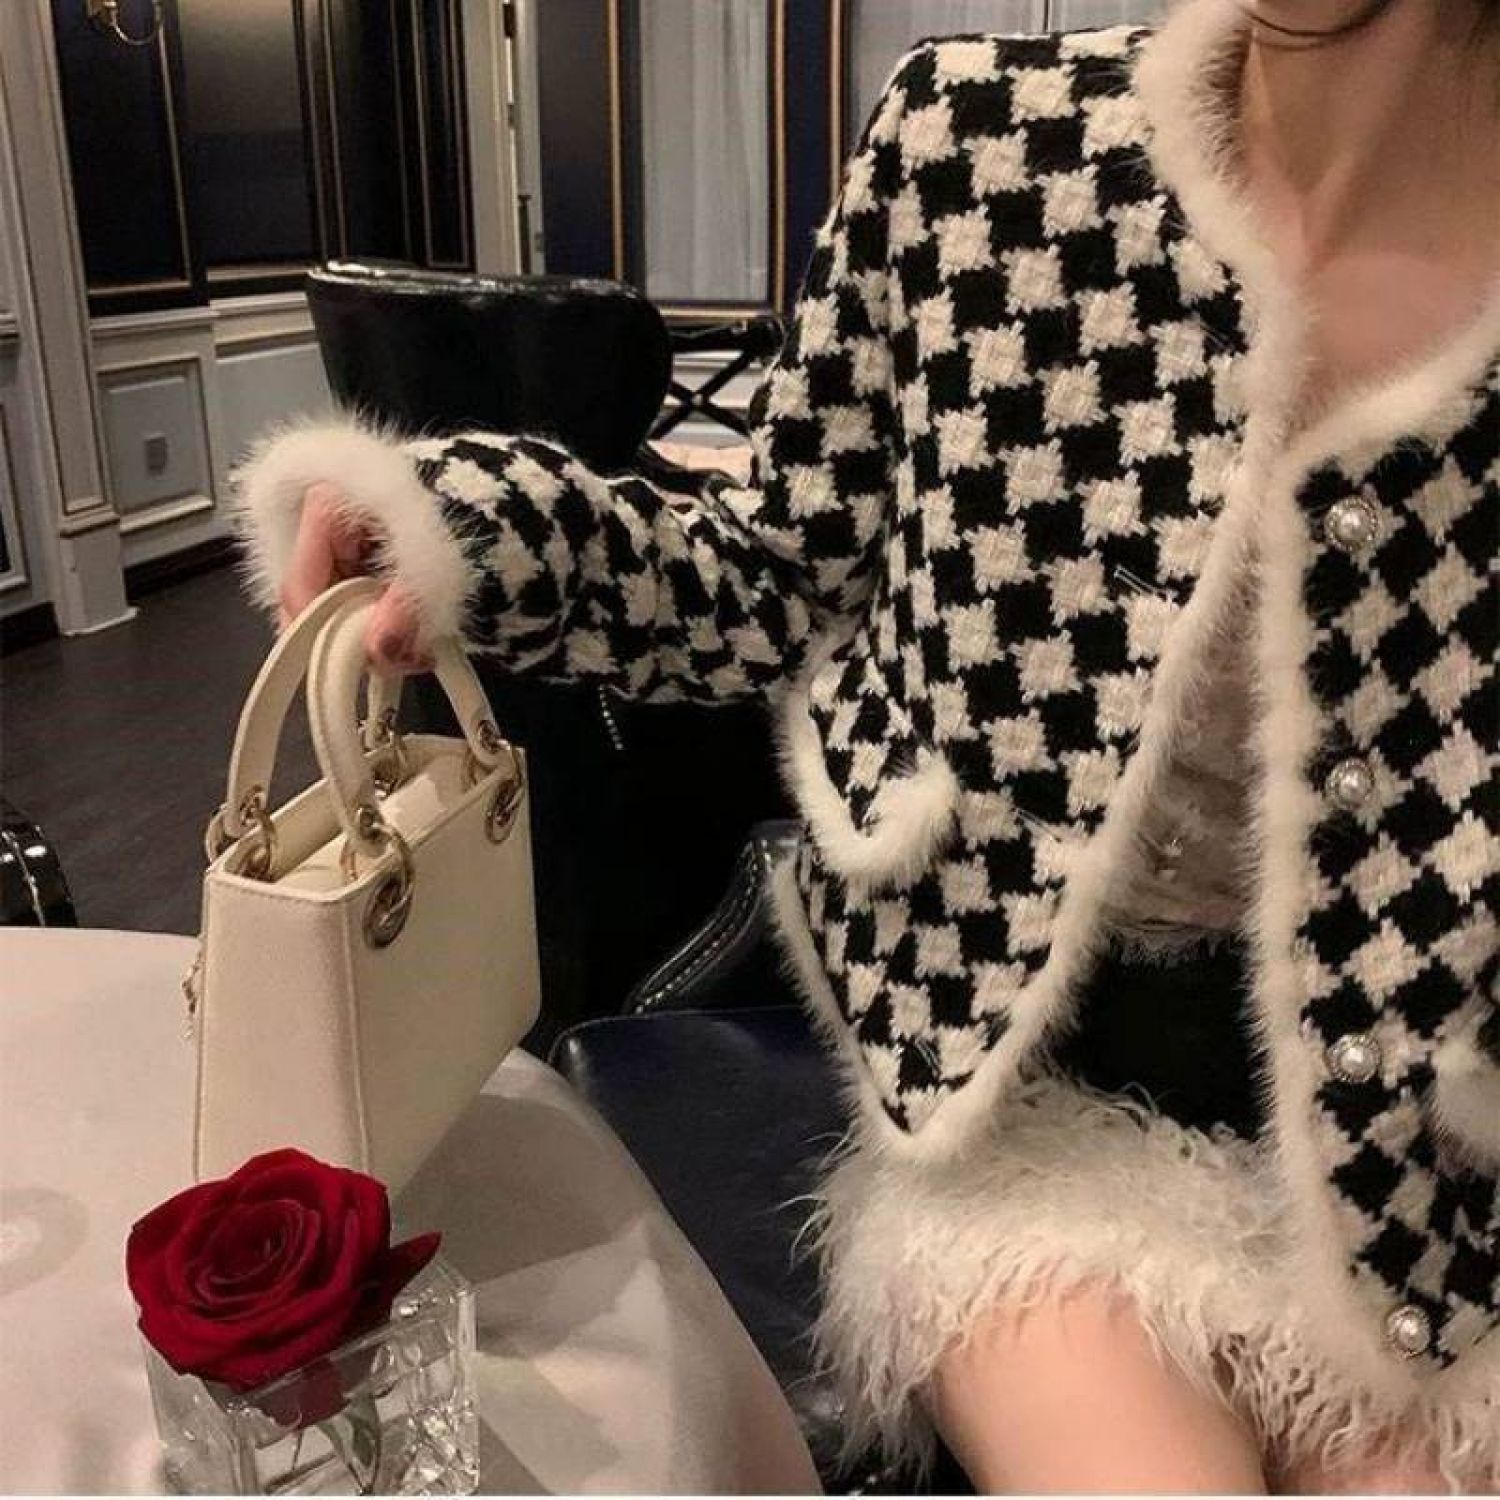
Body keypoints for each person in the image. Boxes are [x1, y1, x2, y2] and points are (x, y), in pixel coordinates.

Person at [239, 0, 1499, 1490]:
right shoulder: (988, 147)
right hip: (1039, 1127)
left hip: (1443, 1190)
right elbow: (765, 571)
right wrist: (469, 527)